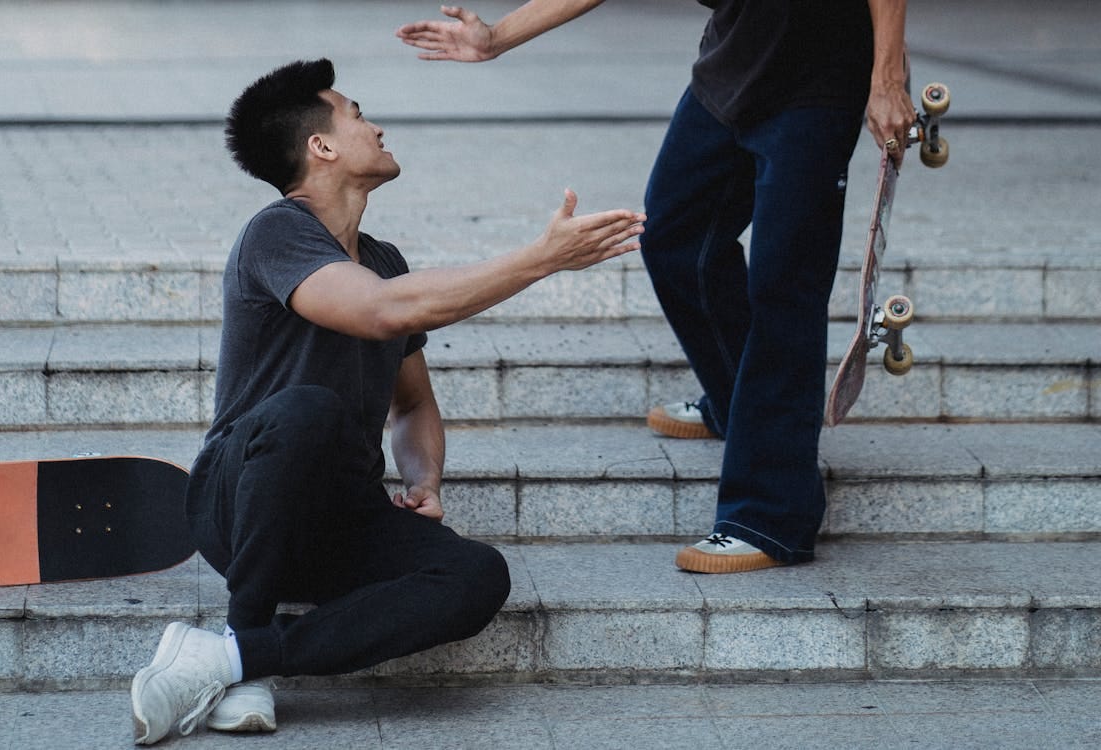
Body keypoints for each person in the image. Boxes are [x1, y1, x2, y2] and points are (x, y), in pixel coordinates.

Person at [129, 58, 645, 745]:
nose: (376, 125)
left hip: (339, 512)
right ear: (322, 146)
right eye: (357, 114)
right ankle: (246, 622)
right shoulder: (275, 233)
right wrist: (539, 258)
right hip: (239, 498)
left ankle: (232, 656)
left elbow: (411, 407)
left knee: (474, 575)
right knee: (306, 408)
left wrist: (423, 479)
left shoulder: (385, 259)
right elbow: (375, 312)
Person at [397, 1, 914, 574]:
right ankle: (736, 403)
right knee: (674, 237)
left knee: (784, 289)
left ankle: (772, 515)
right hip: (732, 68)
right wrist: (497, 37)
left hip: (816, 80)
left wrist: (887, 75)